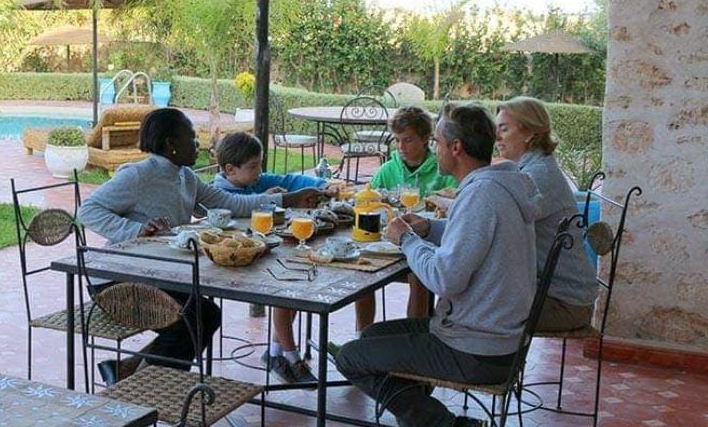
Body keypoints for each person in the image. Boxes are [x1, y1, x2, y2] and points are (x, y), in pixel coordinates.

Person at [334, 103, 539, 427]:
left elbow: (443, 279)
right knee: (370, 337)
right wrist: (430, 227)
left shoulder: (480, 196)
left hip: (477, 348)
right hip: (499, 337)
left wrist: (407, 240)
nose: (435, 150)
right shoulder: (498, 186)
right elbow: (477, 237)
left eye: (438, 143)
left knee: (351, 357)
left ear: (456, 147)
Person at [79, 108, 325, 385]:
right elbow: (88, 210)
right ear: (172, 144)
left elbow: (231, 203)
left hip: (155, 274)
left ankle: (131, 373)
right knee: (195, 318)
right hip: (116, 281)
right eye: (192, 138)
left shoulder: (185, 176)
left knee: (203, 315)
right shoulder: (138, 176)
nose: (199, 144)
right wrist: (136, 230)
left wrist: (290, 198)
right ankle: (147, 387)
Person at [213, 131, 333, 384]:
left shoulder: (252, 181)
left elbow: (289, 180)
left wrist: (322, 185)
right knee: (287, 285)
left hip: (264, 257)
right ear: (230, 169)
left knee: (296, 279)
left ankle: (277, 353)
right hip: (237, 266)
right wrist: (268, 199)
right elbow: (240, 207)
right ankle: (291, 356)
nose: (259, 171)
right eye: (253, 166)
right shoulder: (220, 192)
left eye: (259, 164)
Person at [497, 96, 597, 332]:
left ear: (529, 132)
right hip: (546, 292)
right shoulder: (530, 167)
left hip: (565, 304)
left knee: (478, 309)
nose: (496, 137)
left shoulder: (539, 174)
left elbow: (497, 220)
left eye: (504, 129)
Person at [355, 106, 458, 331]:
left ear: (425, 138)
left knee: (418, 274)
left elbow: (455, 205)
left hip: (425, 241)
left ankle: (414, 334)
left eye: (408, 140)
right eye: (397, 140)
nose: (401, 147)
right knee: (363, 268)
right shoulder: (388, 170)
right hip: (387, 241)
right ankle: (362, 335)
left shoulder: (443, 169)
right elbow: (369, 200)